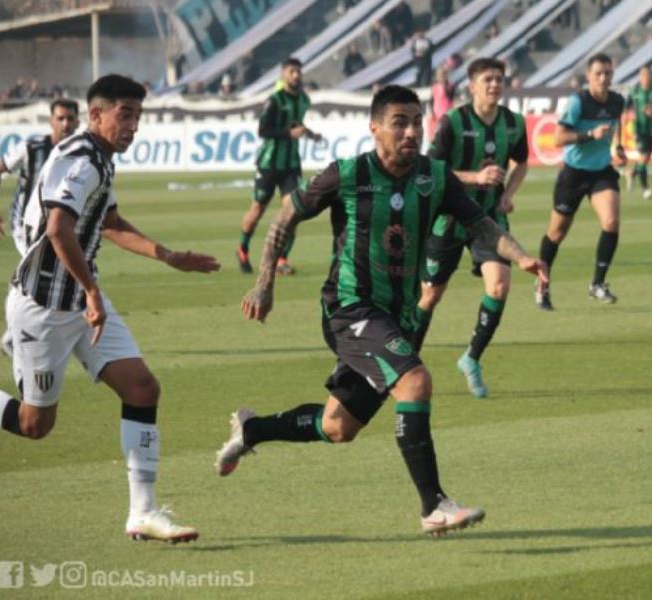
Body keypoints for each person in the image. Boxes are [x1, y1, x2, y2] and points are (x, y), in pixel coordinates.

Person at [215, 85, 548, 536]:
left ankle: (253, 430)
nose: (411, 131)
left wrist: (523, 256)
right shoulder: (347, 174)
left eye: (416, 121)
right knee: (415, 381)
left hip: (399, 316)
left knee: (338, 426)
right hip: (350, 309)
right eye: (399, 122)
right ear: (374, 128)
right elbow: (284, 217)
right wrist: (264, 284)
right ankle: (434, 505)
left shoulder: (434, 176)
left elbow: (482, 225)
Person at [0, 74, 220, 542]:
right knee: (36, 426)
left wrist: (168, 256)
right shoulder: (83, 159)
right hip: (44, 308)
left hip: (78, 300)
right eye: (125, 114)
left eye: (138, 115)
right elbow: (58, 229)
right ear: (96, 115)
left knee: (142, 388)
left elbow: (110, 223)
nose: (133, 125)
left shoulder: (99, 156)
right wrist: (93, 293)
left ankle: (144, 512)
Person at [413, 58, 529, 398]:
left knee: (499, 286)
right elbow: (431, 169)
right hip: (448, 217)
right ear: (472, 85)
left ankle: (471, 358)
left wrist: (508, 193)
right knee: (430, 296)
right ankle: (405, 363)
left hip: (489, 217)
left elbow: (521, 162)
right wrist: (474, 177)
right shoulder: (453, 121)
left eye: (499, 79)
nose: (495, 84)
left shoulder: (514, 123)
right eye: (488, 79)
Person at [0, 98, 80, 355]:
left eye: (70, 118)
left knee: (49, 272)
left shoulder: (79, 152)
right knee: (39, 271)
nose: (66, 124)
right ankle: (14, 336)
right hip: (24, 225)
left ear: (78, 121)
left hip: (54, 227)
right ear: (51, 121)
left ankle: (27, 331)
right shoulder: (32, 148)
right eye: (60, 118)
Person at [535, 53, 626, 310]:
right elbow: (557, 138)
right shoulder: (578, 102)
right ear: (589, 76)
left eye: (607, 73)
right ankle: (542, 285)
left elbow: (616, 127)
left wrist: (618, 150)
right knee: (556, 233)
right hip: (573, 174)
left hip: (601, 171)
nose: (603, 78)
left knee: (611, 221)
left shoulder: (618, 101)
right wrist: (589, 134)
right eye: (598, 74)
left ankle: (597, 284)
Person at [237, 58, 322, 275]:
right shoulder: (273, 100)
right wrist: (288, 134)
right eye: (292, 71)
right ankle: (243, 248)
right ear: (283, 74)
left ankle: (281, 260)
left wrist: (311, 135)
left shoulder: (304, 99)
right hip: (268, 165)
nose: (296, 75)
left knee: (293, 212)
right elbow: (263, 131)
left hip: (291, 166)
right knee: (257, 210)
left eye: (298, 71)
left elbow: (296, 124)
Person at [624, 66, 652, 200]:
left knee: (645, 159)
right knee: (643, 157)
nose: (646, 77)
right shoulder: (634, 91)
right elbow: (625, 108)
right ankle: (645, 189)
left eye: (648, 75)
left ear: (651, 77)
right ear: (640, 77)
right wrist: (627, 117)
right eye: (643, 75)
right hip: (639, 129)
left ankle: (631, 173)